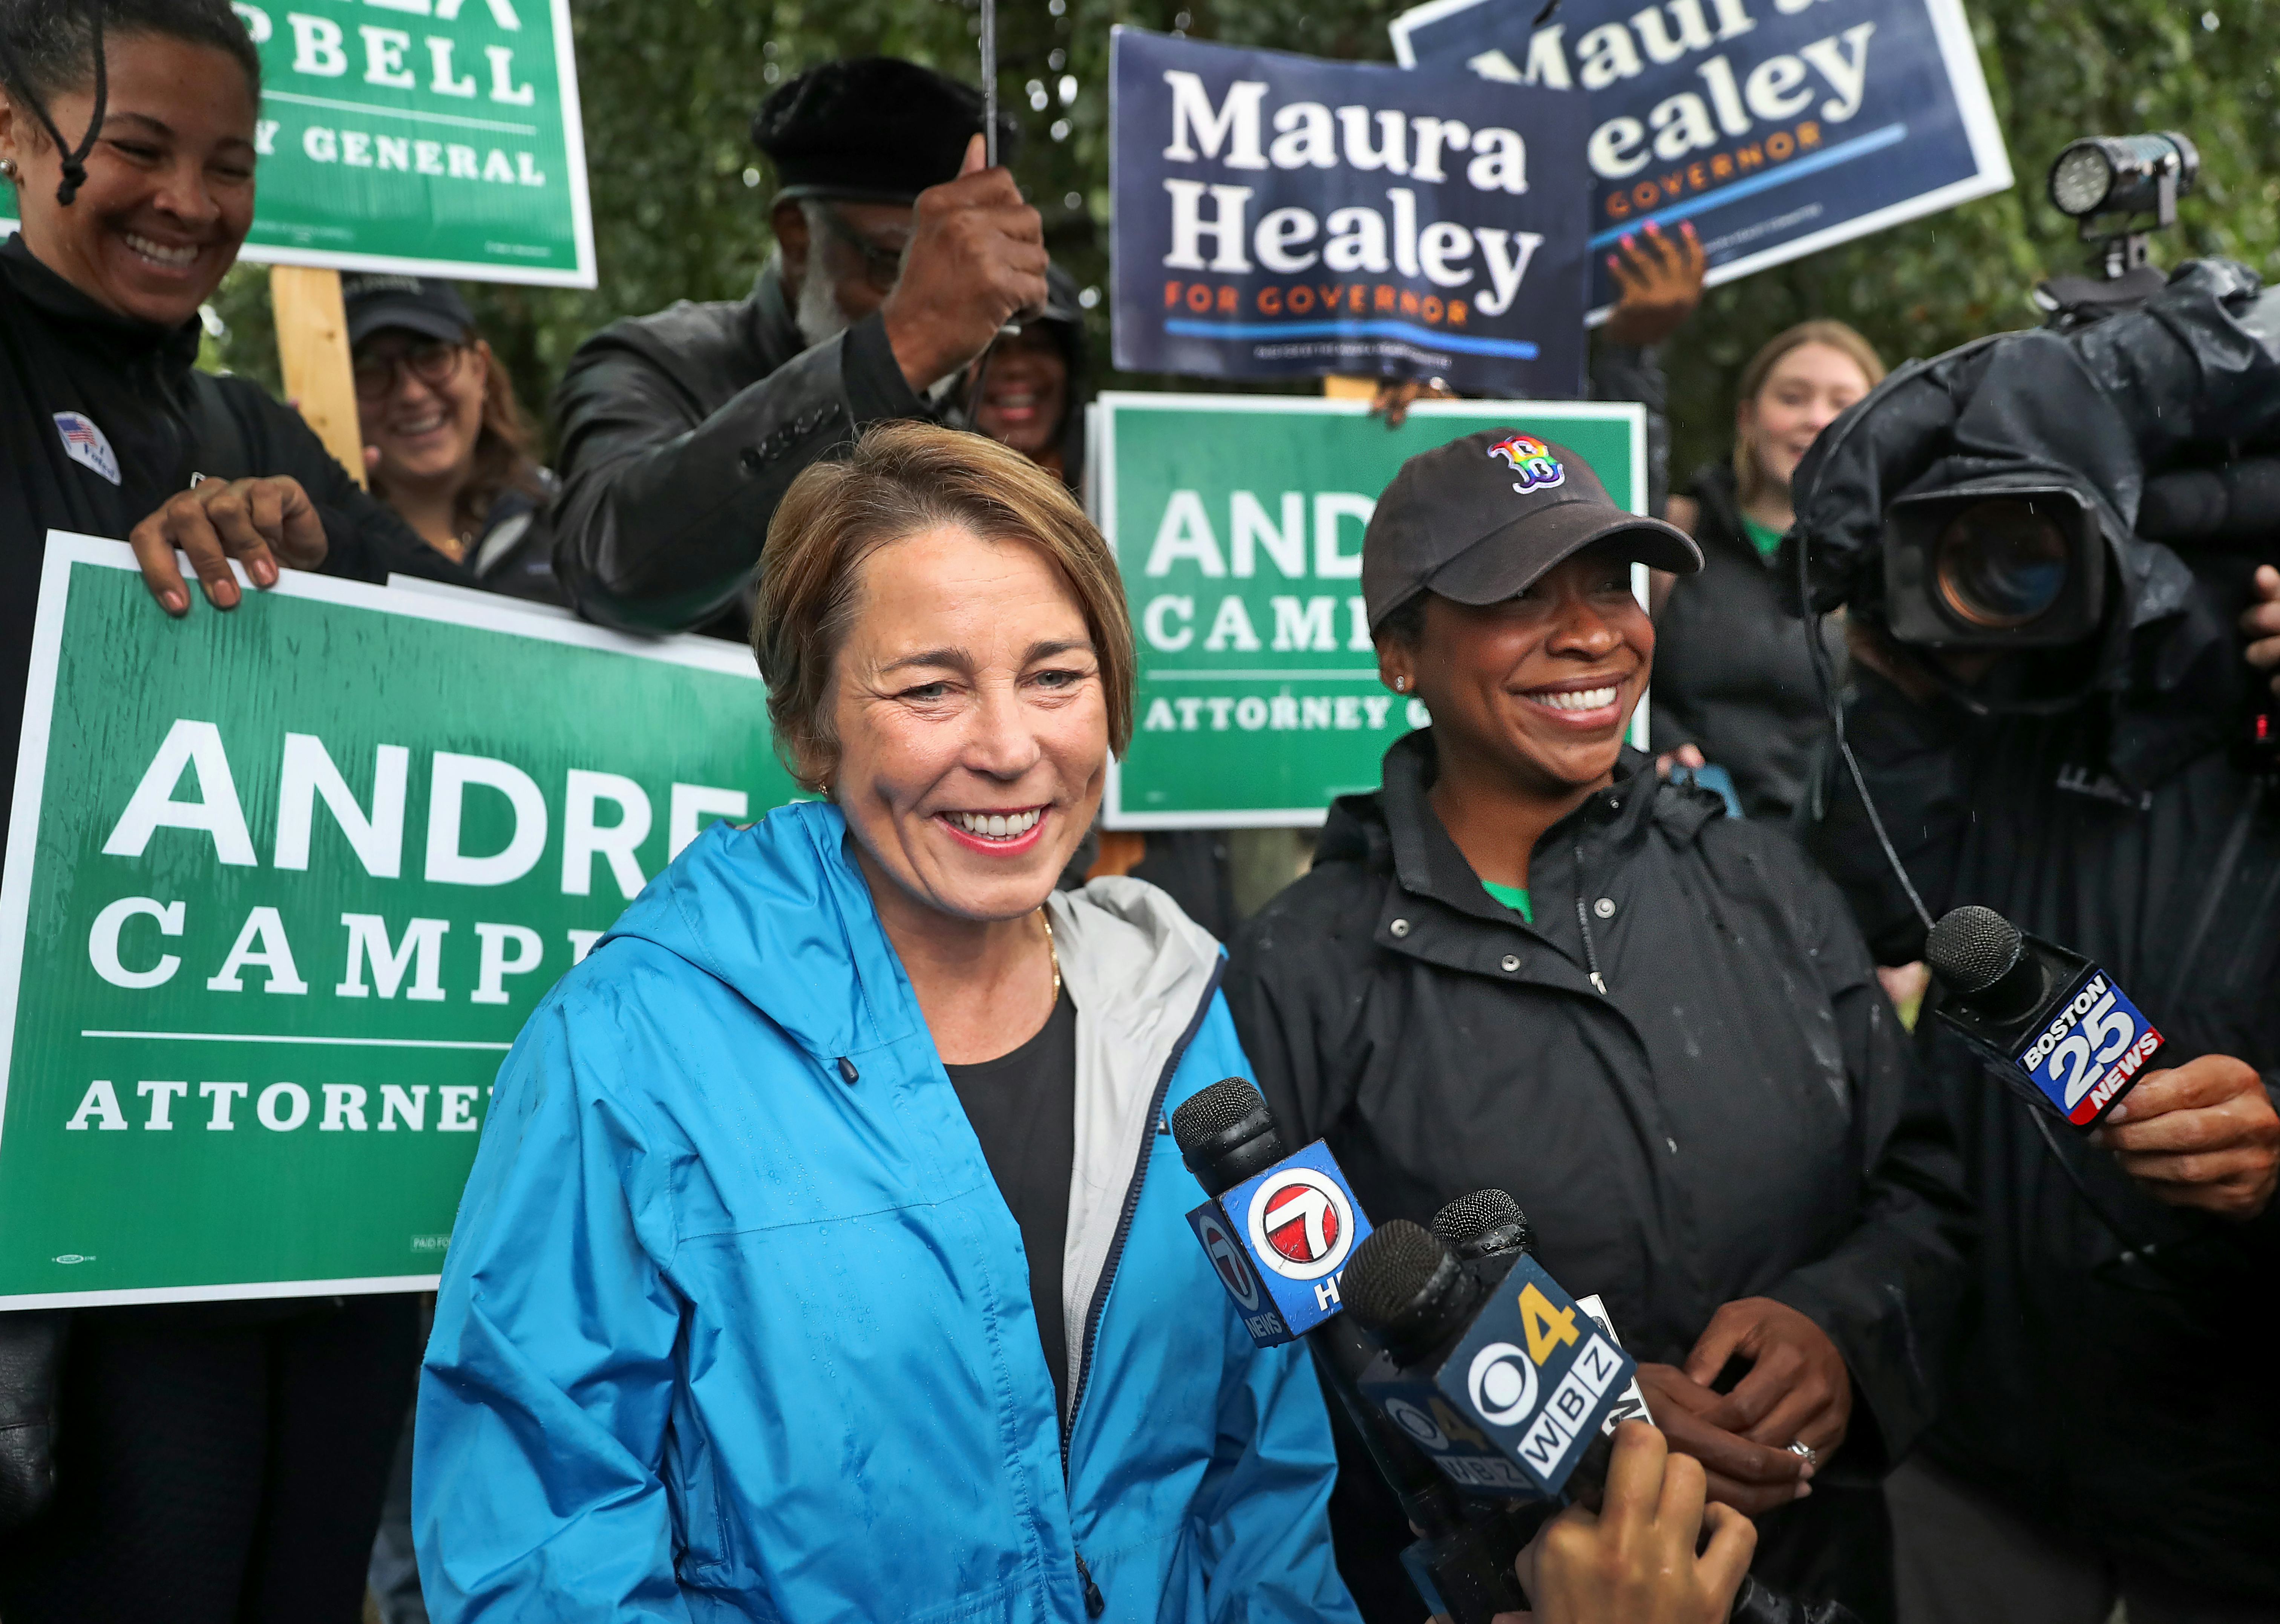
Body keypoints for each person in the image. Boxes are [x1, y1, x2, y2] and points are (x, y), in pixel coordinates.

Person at [413, 422, 1360, 1622]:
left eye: (1056, 675)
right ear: (813, 727)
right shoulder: (628, 1045)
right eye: (930, 687)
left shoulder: (1182, 1014)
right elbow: (537, 1544)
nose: (1012, 747)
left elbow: (1263, 1480)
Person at [1223, 432, 1974, 1624]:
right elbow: (1281, 1352)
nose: (1591, 633)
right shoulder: (1296, 969)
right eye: (1518, 595)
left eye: (1612, 585)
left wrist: (1840, 1329)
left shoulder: (1766, 882)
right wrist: (1565, 1435)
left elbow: (1927, 1189)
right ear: (1398, 653)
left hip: (1825, 1574)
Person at [0, 2, 464, 1618]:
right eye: (137, 147)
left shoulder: (258, 430)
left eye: (229, 165)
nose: (189, 201)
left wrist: (334, 549)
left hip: (304, 1202)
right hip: (75, 1219)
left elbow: (452, 678)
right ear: (12, 129)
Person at [1794, 271, 2280, 1623]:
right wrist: (1890, 674)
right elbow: (1877, 914)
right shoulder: (2002, 717)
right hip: (1982, 1465)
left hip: (2233, 1509)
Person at [550, 57, 1045, 637]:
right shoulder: (651, 363)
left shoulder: (957, 415)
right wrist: (891, 353)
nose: (938, 314)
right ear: (798, 234)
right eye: (898, 266)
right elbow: (613, 568)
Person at [1652, 321, 1885, 822]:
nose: (1816, 419)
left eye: (1841, 404)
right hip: (1683, 851)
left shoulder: (1892, 564)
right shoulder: (1673, 534)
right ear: (1748, 418)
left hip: (1830, 862)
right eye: (1793, 398)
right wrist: (1657, 739)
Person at [345, 273, 563, 605]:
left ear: (480, 369)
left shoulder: (573, 521)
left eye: (431, 356)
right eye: (371, 368)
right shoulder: (320, 541)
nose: (412, 393)